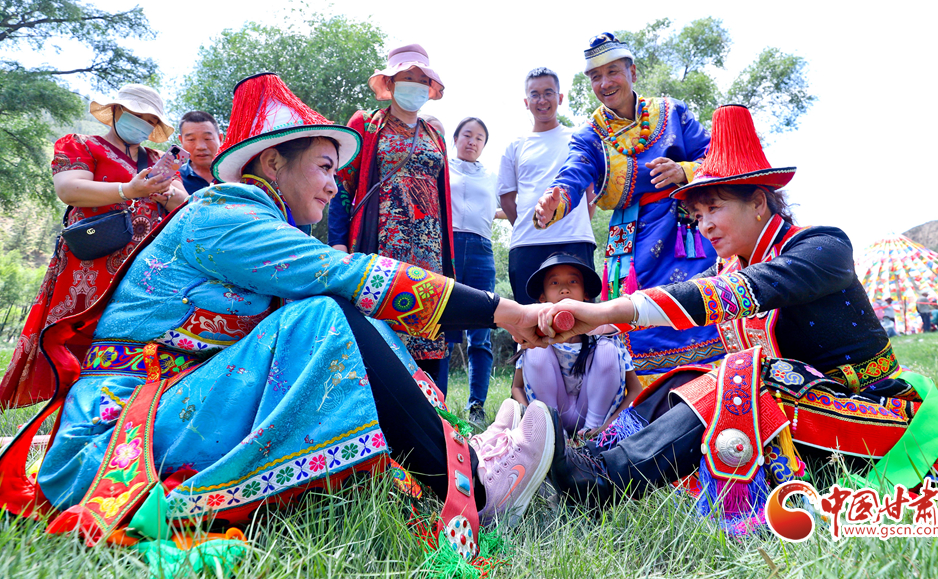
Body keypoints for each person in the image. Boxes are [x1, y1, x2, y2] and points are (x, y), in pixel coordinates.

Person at [0, 74, 557, 557]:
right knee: (327, 313)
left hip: (171, 400)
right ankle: (475, 489)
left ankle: (458, 449)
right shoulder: (223, 213)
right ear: (272, 161)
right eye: (324, 167)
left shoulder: (257, 223)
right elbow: (347, 274)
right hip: (118, 434)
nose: (335, 185)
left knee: (342, 309)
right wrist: (506, 312)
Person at [538, 105, 938, 528]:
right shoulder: (732, 266)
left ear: (758, 200)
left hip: (872, 418)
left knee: (746, 376)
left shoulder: (822, 248)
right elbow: (690, 301)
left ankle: (601, 482)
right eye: (697, 215)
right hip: (800, 415)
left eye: (713, 208)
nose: (704, 225)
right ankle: (593, 456)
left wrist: (605, 308)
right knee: (693, 376)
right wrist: (590, 322)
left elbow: (730, 295)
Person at [533, 35, 724, 384]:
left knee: (700, 302)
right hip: (633, 240)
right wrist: (554, 199)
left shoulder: (672, 112)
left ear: (632, 72)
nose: (605, 83)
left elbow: (715, 155)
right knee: (641, 313)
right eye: (595, 76)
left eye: (613, 72)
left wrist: (684, 170)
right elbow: (574, 172)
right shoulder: (590, 135)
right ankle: (653, 399)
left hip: (686, 232)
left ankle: (715, 388)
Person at [1, 84, 186, 408]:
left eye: (149, 120)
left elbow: (184, 202)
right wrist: (128, 190)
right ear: (116, 112)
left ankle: (117, 409)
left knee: (131, 338)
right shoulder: (81, 145)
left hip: (142, 266)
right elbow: (69, 189)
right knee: (75, 335)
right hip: (88, 263)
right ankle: (66, 408)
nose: (142, 123)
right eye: (136, 115)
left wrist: (166, 193)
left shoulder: (158, 160)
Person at [328, 44, 454, 384]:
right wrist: (338, 242)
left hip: (430, 251)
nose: (415, 84)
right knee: (379, 330)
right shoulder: (367, 125)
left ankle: (432, 409)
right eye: (407, 76)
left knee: (429, 323)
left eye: (421, 79)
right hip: (383, 245)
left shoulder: (435, 135)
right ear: (390, 82)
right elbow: (342, 186)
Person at [511, 254, 641, 436]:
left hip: (598, 419)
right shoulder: (533, 336)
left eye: (573, 281)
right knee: (536, 350)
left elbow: (635, 390)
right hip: (551, 416)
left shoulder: (605, 333)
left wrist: (606, 428)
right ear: (542, 296)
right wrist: (532, 422)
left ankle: (591, 432)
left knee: (606, 348)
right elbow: (516, 388)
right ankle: (552, 430)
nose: (564, 289)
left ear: (585, 293)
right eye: (554, 283)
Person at [498, 67, 596, 305]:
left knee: (581, 319)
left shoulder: (579, 139)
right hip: (527, 244)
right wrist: (532, 224)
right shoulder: (515, 145)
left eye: (548, 93)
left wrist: (574, 222)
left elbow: (591, 193)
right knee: (529, 319)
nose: (542, 100)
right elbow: (507, 198)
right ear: (526, 102)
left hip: (575, 240)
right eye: (535, 94)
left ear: (560, 98)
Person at [440, 117, 501, 422]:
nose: (472, 142)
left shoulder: (491, 176)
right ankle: (437, 403)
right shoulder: (441, 167)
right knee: (440, 328)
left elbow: (508, 206)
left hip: (480, 249)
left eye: (479, 138)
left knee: (481, 330)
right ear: (455, 139)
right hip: (446, 247)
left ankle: (476, 406)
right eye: (467, 135)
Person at [177, 110, 221, 194]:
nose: (200, 147)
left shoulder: (238, 174)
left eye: (207, 138)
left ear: (220, 139)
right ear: (181, 141)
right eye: (191, 139)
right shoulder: (175, 179)